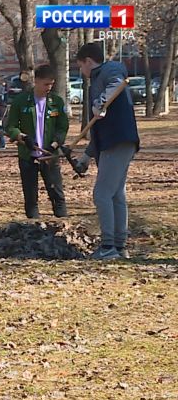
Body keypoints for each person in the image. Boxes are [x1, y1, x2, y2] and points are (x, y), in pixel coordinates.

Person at [73, 42, 140, 260]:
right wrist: (86, 157)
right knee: (116, 195)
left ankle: (108, 247)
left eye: (80, 66)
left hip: (118, 140)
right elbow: (98, 128)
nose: (81, 72)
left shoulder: (108, 70)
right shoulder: (97, 79)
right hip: (115, 141)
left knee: (102, 194)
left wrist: (100, 104)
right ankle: (119, 247)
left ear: (88, 61)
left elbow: (118, 78)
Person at [5, 64, 69, 219]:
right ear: (37, 81)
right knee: (31, 197)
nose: (49, 87)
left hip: (49, 156)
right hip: (28, 156)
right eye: (46, 84)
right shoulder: (21, 101)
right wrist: (22, 136)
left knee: (57, 193)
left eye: (51, 84)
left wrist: (54, 144)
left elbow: (63, 127)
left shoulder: (56, 102)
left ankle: (63, 225)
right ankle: (33, 227)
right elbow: (10, 126)